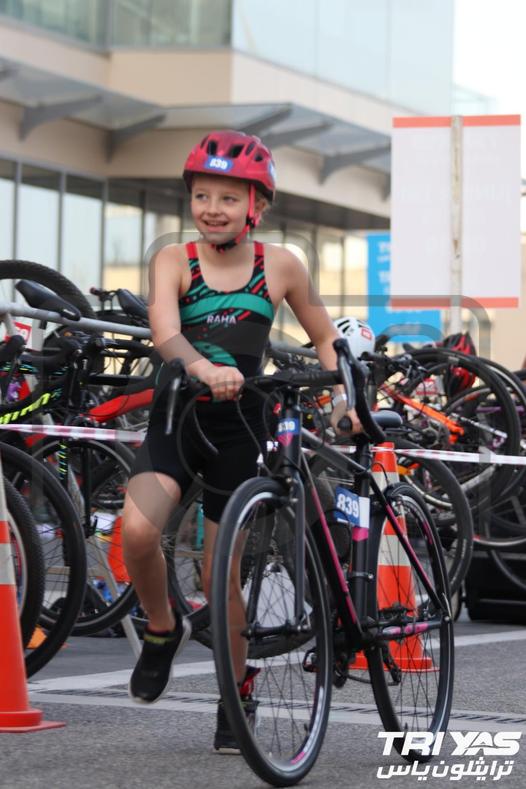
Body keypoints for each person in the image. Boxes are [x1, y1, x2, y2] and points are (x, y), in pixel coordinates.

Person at [122, 129, 360, 752]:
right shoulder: (173, 259)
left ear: (258, 205)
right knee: (138, 533)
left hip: (242, 427)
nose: (212, 209)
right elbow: (166, 333)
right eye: (202, 195)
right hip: (180, 415)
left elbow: (325, 337)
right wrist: (204, 368)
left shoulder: (281, 264)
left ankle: (235, 697)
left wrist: (346, 400)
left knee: (219, 568)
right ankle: (161, 629)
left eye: (228, 198)